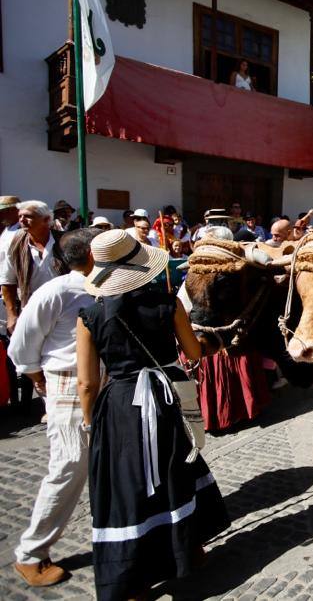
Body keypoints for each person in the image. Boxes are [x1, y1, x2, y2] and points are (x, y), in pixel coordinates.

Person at [77, 230, 229, 600]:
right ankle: (189, 548)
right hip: (163, 397)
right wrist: (215, 342)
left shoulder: (90, 315)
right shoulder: (167, 303)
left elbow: (86, 382)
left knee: (127, 487)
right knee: (176, 469)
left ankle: (134, 581)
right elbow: (192, 353)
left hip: (120, 406)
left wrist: (89, 422)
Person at [9, 229, 99, 587]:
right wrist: (40, 383)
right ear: (90, 255)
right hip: (67, 383)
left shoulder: (108, 285)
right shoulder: (57, 291)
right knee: (67, 467)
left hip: (101, 384)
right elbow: (21, 347)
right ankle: (31, 553)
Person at [1, 201, 66, 335]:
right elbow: (8, 281)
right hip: (30, 308)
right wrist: (12, 315)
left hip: (64, 307)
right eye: (20, 216)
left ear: (47, 219)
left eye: (28, 216)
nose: (22, 220)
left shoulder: (64, 241)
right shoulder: (14, 244)